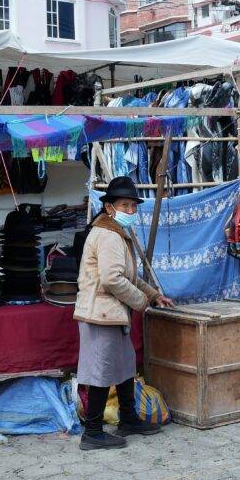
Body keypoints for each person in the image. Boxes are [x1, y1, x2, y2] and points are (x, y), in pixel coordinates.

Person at [74, 176, 175, 450]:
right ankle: (92, 432)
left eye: (133, 206)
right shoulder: (108, 235)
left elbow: (130, 275)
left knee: (123, 365)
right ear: (109, 207)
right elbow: (112, 279)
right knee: (101, 371)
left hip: (111, 312)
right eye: (124, 205)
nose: (130, 211)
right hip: (100, 313)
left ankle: (128, 417)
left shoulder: (117, 232)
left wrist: (153, 294)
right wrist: (142, 301)